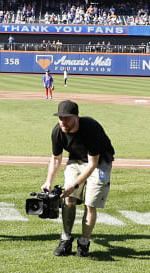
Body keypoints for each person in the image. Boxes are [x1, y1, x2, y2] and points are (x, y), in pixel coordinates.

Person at [42, 100, 114, 257]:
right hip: (76, 159)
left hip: (100, 162)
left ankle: (84, 243)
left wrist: (74, 185)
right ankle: (66, 240)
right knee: (69, 200)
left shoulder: (90, 128)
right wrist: (48, 182)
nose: (63, 121)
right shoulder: (57, 131)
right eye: (60, 118)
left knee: (90, 203)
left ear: (77, 117)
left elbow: (92, 164)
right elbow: (56, 159)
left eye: (67, 118)